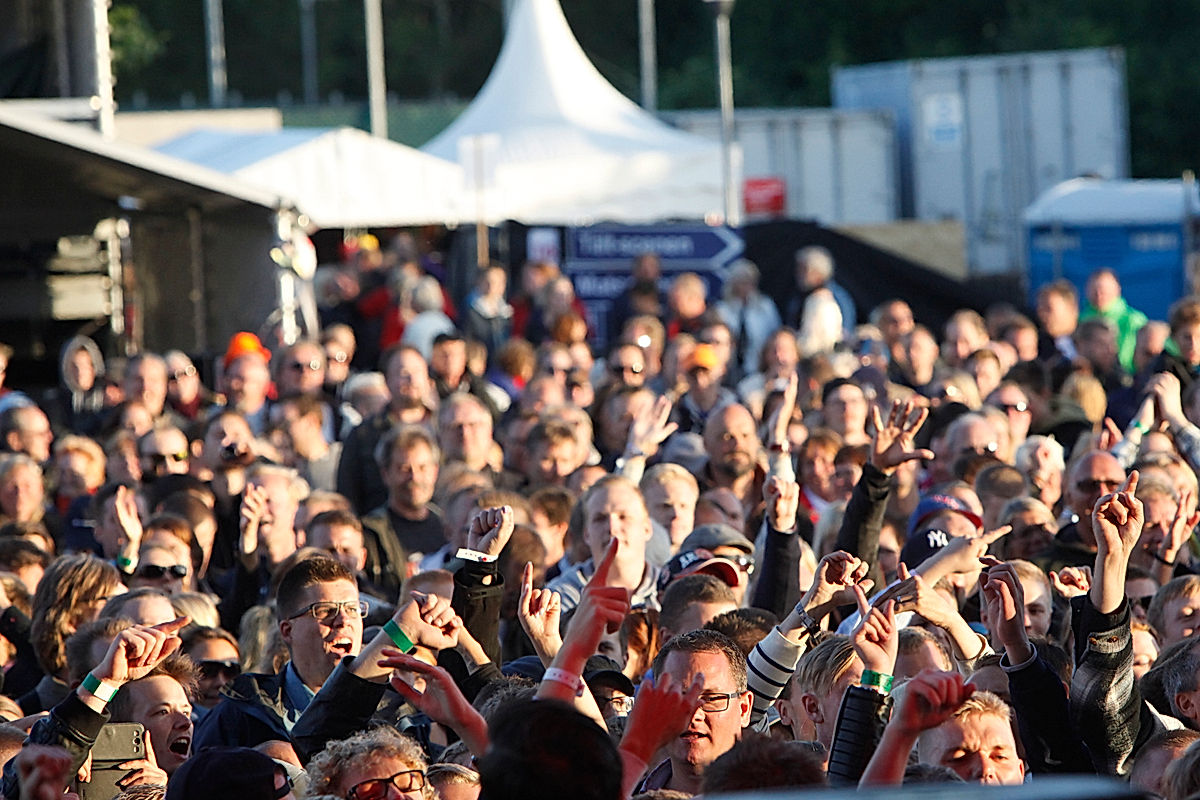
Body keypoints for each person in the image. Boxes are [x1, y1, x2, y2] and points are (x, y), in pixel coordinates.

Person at [193, 556, 365, 750]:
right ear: (287, 631)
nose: (343, 620)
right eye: (325, 611)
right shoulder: (240, 714)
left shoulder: (387, 709)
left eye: (352, 609)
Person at [636, 629, 752, 794]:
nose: (693, 714)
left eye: (711, 699)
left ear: (744, 709)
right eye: (676, 697)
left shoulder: (786, 791)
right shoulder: (624, 794)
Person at [359, 424, 443, 599]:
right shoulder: (369, 534)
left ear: (435, 471)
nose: (414, 478)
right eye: (404, 469)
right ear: (385, 474)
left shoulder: (448, 528)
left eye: (422, 468)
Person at [1080, 267, 1148, 375]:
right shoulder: (1081, 319)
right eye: (1094, 289)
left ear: (1117, 290)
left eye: (1103, 290)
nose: (1098, 294)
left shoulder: (1134, 320)